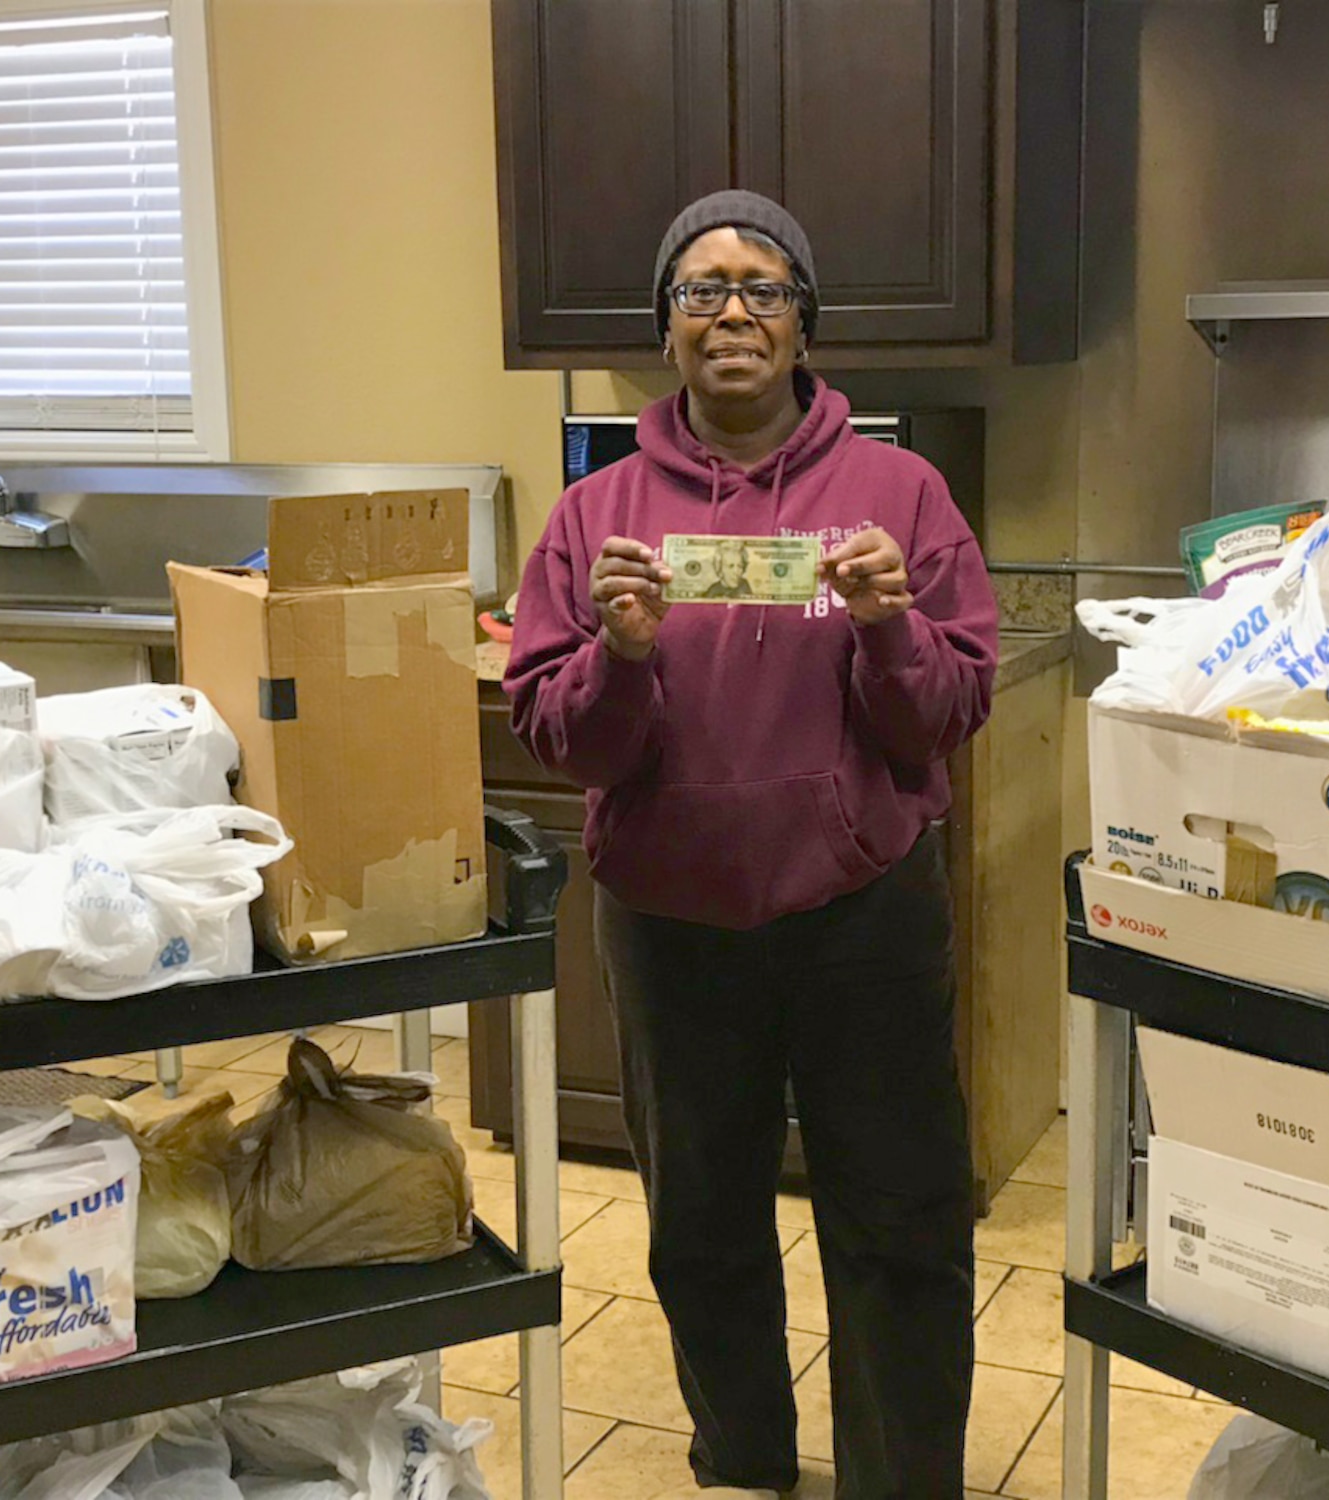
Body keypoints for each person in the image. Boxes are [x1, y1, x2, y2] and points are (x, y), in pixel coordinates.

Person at [505, 190, 998, 1500]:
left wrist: (893, 624)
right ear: (663, 326)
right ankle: (747, 1465)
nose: (732, 311)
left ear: (802, 322)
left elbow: (948, 714)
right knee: (704, 1231)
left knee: (899, 1226)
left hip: (864, 913)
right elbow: (565, 743)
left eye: (763, 287)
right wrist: (616, 657)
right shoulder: (594, 516)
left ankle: (903, 1480)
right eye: (701, 288)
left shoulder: (901, 496)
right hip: (672, 925)